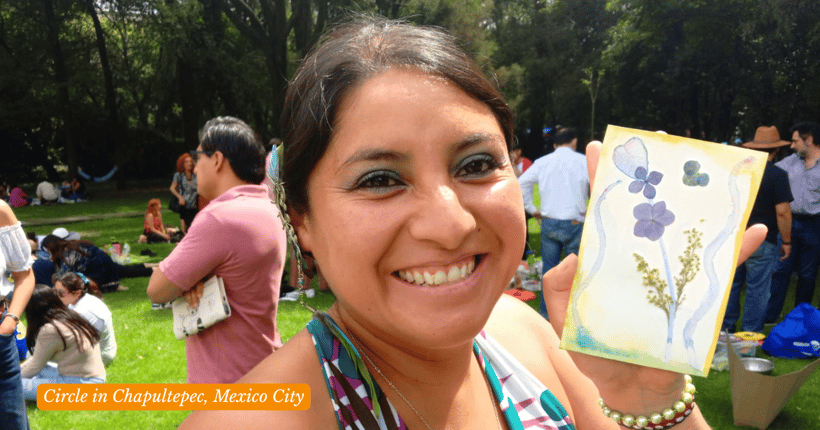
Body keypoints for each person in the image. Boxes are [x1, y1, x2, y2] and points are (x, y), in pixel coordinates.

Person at [180, 18, 767, 430]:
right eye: (379, 179)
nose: (451, 224)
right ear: (302, 222)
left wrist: (646, 396)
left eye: (477, 165)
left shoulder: (523, 333)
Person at [147, 116, 287, 384]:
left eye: (198, 157)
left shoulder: (219, 218)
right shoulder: (269, 210)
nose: (195, 167)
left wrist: (189, 279)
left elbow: (157, 289)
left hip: (224, 382)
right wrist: (197, 276)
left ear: (218, 159)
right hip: (264, 369)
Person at [722, 126, 793, 333]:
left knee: (730, 286)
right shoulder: (777, 175)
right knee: (758, 290)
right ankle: (748, 336)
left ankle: (724, 331)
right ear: (776, 150)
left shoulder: (738, 171)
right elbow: (783, 212)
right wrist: (786, 241)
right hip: (763, 240)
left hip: (734, 236)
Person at [519, 126, 589, 320]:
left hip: (549, 221)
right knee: (574, 271)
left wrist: (532, 209)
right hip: (575, 221)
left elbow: (521, 183)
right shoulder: (583, 161)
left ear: (555, 144)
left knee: (549, 270)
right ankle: (572, 316)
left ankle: (546, 314)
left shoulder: (542, 162)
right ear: (574, 141)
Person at [766, 121, 820, 322]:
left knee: (807, 274)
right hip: (787, 222)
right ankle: (770, 318)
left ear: (809, 140)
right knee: (780, 270)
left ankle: (801, 320)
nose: (792, 145)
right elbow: (769, 170)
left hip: (814, 226)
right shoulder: (791, 161)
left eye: (795, 141)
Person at [20, 284, 105, 401]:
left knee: (8, 386)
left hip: (82, 386)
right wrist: (14, 371)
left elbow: (35, 367)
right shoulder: (70, 316)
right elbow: (36, 360)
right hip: (94, 379)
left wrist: (9, 379)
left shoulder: (50, 330)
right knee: (30, 370)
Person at [0, 200, 35, 429]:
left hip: (0, 340)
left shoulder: (0, 211)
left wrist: (10, 321)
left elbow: (24, 275)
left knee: (12, 422)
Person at [41, 235, 152, 292]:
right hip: (106, 263)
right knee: (128, 270)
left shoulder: (67, 254)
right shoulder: (72, 245)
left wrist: (53, 278)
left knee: (80, 285)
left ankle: (113, 285)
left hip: (100, 270)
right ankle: (154, 267)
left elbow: (65, 276)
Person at [53, 272, 116, 366]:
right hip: (97, 351)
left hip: (99, 357)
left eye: (61, 293)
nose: (56, 296)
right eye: (55, 291)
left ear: (77, 293)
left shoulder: (82, 311)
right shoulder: (80, 301)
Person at [170, 153, 199, 234]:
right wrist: (180, 197)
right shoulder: (179, 175)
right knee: (186, 230)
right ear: (182, 164)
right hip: (184, 205)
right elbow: (172, 188)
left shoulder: (196, 175)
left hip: (195, 205)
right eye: (186, 162)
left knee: (195, 228)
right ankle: (183, 231)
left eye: (191, 161)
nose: (189, 163)